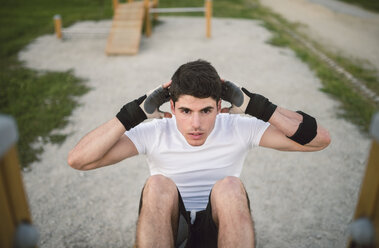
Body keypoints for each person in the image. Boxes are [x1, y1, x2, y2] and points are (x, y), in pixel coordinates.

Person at [68, 59, 331, 248]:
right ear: (171, 106)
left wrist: (258, 106)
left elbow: (319, 140)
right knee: (157, 184)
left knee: (230, 186)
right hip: (171, 225)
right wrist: (133, 114)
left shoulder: (237, 127)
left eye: (205, 111)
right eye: (185, 111)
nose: (196, 124)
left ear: (219, 106)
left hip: (218, 231)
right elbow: (79, 160)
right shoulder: (157, 130)